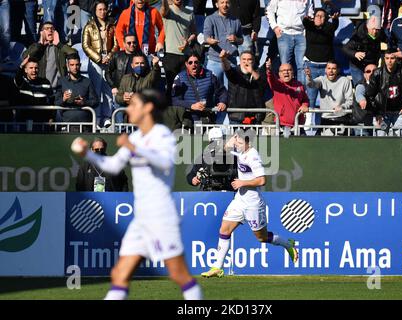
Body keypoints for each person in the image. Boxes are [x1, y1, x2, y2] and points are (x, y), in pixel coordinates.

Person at [71, 88, 203, 300]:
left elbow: (165, 163)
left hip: (160, 216)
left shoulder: (162, 135)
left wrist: (134, 148)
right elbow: (113, 165)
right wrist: (87, 154)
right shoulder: (136, 136)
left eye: (134, 104)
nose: (129, 108)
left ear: (148, 108)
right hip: (141, 219)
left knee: (179, 275)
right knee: (119, 274)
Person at [201, 129, 298, 278]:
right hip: (240, 200)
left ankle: (288, 244)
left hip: (253, 204)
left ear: (248, 143)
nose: (238, 145)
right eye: (237, 141)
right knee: (224, 229)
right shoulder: (240, 149)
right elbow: (221, 154)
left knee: (262, 238)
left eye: (240, 142)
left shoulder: (253, 156)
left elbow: (262, 180)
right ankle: (217, 267)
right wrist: (229, 143)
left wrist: (242, 182)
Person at [82, 0, 119, 128]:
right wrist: (98, 58)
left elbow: (117, 43)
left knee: (108, 90)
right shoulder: (89, 26)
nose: (103, 12)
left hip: (109, 60)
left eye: (104, 9)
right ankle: (96, 118)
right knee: (96, 91)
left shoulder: (112, 24)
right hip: (95, 62)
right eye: (100, 9)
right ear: (95, 11)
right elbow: (85, 46)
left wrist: (109, 56)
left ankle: (107, 117)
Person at [302, 7, 339, 135]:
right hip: (311, 66)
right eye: (317, 15)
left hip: (325, 68)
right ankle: (309, 120)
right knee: (311, 95)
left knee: (327, 96)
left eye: (322, 16)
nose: (319, 18)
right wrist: (307, 18)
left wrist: (334, 19)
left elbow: (334, 25)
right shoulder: (310, 27)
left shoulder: (328, 29)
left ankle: (326, 122)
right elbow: (305, 22)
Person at [365, 49, 402, 136]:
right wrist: (377, 113)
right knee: (381, 138)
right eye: (387, 58)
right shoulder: (377, 73)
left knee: (399, 141)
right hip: (382, 113)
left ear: (396, 59)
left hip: (399, 113)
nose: (389, 61)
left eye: (392, 58)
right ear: (384, 59)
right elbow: (370, 95)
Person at [171, 53, 227, 126]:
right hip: (188, 120)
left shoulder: (210, 75)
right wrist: (191, 105)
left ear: (200, 63)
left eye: (196, 62)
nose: (193, 65)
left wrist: (223, 102)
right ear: (186, 64)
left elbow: (222, 92)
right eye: (190, 62)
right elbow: (174, 100)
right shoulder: (180, 78)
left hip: (207, 118)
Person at [266, 0, 314, 84]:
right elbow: (269, 10)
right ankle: (287, 93)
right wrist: (274, 27)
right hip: (284, 33)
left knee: (302, 66)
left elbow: (310, 12)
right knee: (285, 66)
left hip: (301, 34)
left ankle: (300, 93)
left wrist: (308, 22)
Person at [159, 0, 197, 104]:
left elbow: (194, 33)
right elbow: (163, 10)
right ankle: (169, 113)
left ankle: (184, 111)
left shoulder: (189, 13)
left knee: (185, 86)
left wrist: (188, 41)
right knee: (170, 85)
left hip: (185, 55)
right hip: (170, 54)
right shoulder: (168, 10)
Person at [23, 21, 77, 89]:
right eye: (47, 28)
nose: (50, 30)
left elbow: (74, 54)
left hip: (59, 89)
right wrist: (40, 45)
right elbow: (25, 57)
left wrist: (59, 44)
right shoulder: (36, 47)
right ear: (42, 32)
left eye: (52, 28)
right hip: (41, 87)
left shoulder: (60, 47)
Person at [305, 60, 353, 133]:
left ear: (338, 70)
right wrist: (309, 77)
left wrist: (342, 107)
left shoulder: (345, 81)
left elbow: (350, 100)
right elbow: (312, 84)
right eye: (329, 68)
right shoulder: (321, 79)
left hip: (341, 118)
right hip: (325, 118)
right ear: (325, 70)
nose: (331, 71)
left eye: (333, 69)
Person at [203, 0, 243, 88]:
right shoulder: (210, 19)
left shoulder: (236, 21)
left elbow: (241, 40)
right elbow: (206, 37)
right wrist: (210, 40)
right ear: (217, 5)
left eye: (227, 2)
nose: (225, 5)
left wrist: (236, 39)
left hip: (231, 61)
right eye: (222, 2)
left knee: (231, 91)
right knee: (213, 90)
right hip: (215, 61)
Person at [219, 50, 265, 125]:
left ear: (253, 61)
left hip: (255, 117)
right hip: (236, 117)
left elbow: (262, 84)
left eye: (249, 59)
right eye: (243, 59)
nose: (246, 62)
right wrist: (223, 59)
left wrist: (252, 72)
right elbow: (227, 69)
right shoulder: (235, 71)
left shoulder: (259, 72)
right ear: (240, 61)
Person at [54, 53, 99, 130]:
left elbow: (95, 101)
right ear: (68, 66)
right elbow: (56, 102)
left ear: (80, 65)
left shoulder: (87, 81)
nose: (75, 67)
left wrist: (84, 102)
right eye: (72, 65)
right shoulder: (62, 81)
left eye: (77, 65)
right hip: (67, 125)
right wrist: (64, 99)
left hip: (85, 126)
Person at [266, 58, 309, 133]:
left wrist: (305, 105)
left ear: (293, 73)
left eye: (289, 70)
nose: (286, 72)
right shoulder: (277, 84)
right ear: (279, 74)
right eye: (283, 71)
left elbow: (305, 99)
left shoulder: (299, 85)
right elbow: (271, 78)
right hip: (282, 126)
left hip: (298, 125)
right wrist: (269, 70)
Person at [343, 15, 387, 86]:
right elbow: (345, 48)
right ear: (367, 27)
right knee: (360, 86)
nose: (375, 32)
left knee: (373, 86)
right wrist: (355, 54)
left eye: (377, 29)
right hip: (358, 65)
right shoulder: (359, 35)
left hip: (372, 64)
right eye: (373, 29)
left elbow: (388, 40)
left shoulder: (380, 33)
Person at [106, 33, 139, 124]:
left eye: (134, 42)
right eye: (129, 43)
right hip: (120, 93)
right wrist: (113, 86)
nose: (132, 45)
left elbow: (145, 76)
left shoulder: (140, 57)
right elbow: (107, 72)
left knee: (134, 124)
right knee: (119, 123)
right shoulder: (117, 56)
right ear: (124, 44)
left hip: (135, 94)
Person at [13, 55, 55, 126]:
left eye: (36, 68)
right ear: (25, 70)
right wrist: (22, 65)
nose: (34, 70)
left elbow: (52, 101)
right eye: (31, 68)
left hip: (42, 121)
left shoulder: (45, 82)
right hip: (24, 121)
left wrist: (51, 117)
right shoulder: (22, 81)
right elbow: (17, 79)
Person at [352, 63, 378, 136]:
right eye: (368, 71)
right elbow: (359, 93)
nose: (371, 73)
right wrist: (362, 100)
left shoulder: (382, 84)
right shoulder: (361, 85)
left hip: (379, 121)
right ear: (364, 75)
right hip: (362, 122)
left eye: (374, 71)